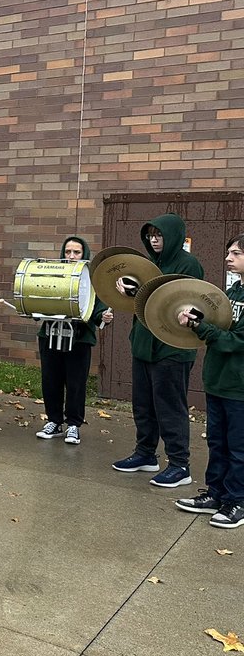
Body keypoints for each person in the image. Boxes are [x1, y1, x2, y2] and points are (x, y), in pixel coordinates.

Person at [111, 213, 204, 487]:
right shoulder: (148, 264)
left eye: (159, 235)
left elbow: (181, 304)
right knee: (143, 404)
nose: (154, 239)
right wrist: (129, 292)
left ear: (173, 236)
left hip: (172, 347)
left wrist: (140, 292)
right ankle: (145, 453)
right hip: (143, 344)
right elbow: (142, 305)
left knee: (169, 407)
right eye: (151, 235)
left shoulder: (189, 265)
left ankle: (179, 465)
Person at [175, 235, 244, 528]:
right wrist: (199, 317)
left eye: (237, 253)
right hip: (217, 381)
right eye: (228, 252)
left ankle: (238, 501)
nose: (229, 257)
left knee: (239, 448)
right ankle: (216, 494)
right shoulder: (234, 290)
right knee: (217, 443)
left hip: (240, 386)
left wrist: (199, 327)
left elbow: (235, 341)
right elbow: (220, 324)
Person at [33, 237, 112, 445]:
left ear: (84, 254)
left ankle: (74, 425)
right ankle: (54, 422)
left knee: (76, 383)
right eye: (67, 252)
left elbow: (98, 307)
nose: (71, 256)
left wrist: (102, 316)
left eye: (76, 252)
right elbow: (39, 297)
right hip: (50, 336)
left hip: (80, 339)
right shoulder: (54, 274)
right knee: (50, 380)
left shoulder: (92, 279)